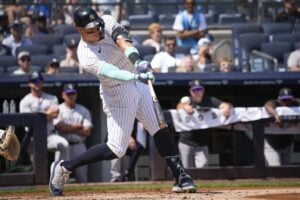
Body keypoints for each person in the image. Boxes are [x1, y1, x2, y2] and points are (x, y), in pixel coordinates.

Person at [49, 6, 196, 196]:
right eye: (91, 30)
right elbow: (112, 72)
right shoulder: (85, 55)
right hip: (116, 93)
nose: (98, 31)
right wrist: (135, 77)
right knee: (116, 149)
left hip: (138, 81)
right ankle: (65, 167)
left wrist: (137, 62)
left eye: (98, 27)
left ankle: (180, 175)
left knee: (160, 127)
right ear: (80, 31)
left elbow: (123, 43)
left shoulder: (108, 21)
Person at [176, 80, 232, 168]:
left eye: (199, 89)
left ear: (203, 90)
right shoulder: (187, 100)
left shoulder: (210, 100)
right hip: (186, 142)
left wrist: (227, 108)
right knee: (186, 170)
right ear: (191, 91)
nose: (197, 92)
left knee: (203, 168)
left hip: (202, 143)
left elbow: (225, 105)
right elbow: (179, 106)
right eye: (195, 90)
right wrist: (184, 107)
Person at [19, 71, 69, 165]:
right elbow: (28, 122)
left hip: (48, 135)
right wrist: (47, 113)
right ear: (29, 83)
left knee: (64, 145)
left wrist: (37, 115)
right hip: (33, 138)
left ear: (42, 83)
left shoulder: (52, 98)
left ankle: (57, 171)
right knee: (38, 166)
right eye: (34, 81)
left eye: (39, 81)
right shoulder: (25, 101)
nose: (37, 83)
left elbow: (55, 113)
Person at [54, 83, 93, 183]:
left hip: (79, 146)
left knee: (83, 178)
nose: (70, 96)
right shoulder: (58, 109)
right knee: (60, 178)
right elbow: (60, 128)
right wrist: (78, 126)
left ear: (76, 94)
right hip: (63, 146)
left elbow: (88, 132)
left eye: (72, 93)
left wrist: (68, 127)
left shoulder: (83, 110)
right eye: (68, 94)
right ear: (63, 95)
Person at [263, 87, 300, 166]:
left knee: (286, 171)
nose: (286, 102)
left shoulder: (296, 103)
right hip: (272, 143)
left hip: (287, 143)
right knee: (276, 169)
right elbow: (268, 106)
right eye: (284, 100)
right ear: (279, 99)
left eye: (288, 99)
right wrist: (276, 115)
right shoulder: (275, 102)